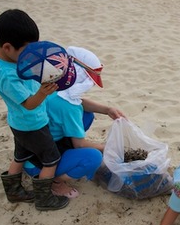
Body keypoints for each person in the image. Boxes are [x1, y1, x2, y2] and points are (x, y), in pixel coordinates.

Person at [20, 41, 126, 198]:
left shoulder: (51, 85)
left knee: (87, 115)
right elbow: (80, 143)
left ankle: (63, 157)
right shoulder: (68, 106)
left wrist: (107, 109)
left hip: (31, 149)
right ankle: (54, 181)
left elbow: (78, 102)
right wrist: (107, 147)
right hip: (39, 164)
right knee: (93, 157)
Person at [0, 9, 68, 211]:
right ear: (8, 47)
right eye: (26, 52)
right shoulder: (8, 76)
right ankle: (44, 199)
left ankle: (14, 191)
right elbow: (29, 104)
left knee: (21, 155)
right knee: (51, 159)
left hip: (18, 122)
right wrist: (43, 93)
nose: (30, 57)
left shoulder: (7, 62)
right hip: (32, 124)